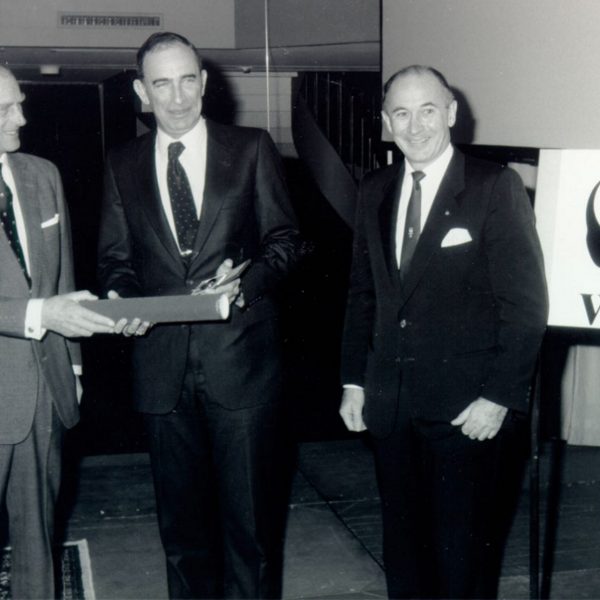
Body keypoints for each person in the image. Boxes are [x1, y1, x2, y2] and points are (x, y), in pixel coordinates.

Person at [97, 32, 302, 599]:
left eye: (188, 80)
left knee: (252, 533)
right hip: (161, 370)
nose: (178, 96)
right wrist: (123, 301)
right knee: (183, 537)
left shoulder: (252, 147)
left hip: (243, 366)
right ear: (142, 92)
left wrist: (246, 284)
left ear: (205, 82)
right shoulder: (122, 163)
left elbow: (286, 240)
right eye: (162, 83)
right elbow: (115, 261)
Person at [339, 65, 548, 599]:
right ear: (386, 122)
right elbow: (363, 293)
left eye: (427, 110)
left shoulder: (493, 186)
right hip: (391, 408)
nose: (415, 126)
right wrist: (354, 382)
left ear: (452, 112)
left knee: (462, 566)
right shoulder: (374, 189)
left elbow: (526, 306)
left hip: (467, 414)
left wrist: (498, 398)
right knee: (405, 561)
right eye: (402, 114)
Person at [0, 66, 118, 598]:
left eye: (19, 103)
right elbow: (46, 306)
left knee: (38, 540)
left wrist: (71, 366)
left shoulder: (41, 174)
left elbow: (62, 275)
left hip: (45, 390)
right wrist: (40, 315)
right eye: (6, 109)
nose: (21, 118)